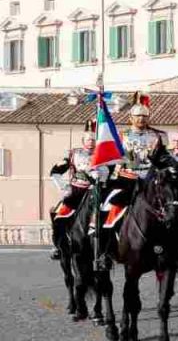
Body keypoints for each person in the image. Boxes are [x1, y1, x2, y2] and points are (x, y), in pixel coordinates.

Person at [96, 92, 166, 269]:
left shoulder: (157, 137)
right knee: (106, 208)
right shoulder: (121, 136)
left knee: (173, 208)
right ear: (130, 118)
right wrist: (102, 171)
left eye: (144, 116)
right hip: (126, 180)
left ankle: (175, 250)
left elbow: (164, 158)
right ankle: (104, 251)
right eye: (138, 116)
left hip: (150, 182)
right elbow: (110, 158)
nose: (141, 119)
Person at [48, 120, 102, 259]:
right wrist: (64, 187)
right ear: (83, 140)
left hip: (95, 191)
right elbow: (55, 172)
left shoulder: (103, 154)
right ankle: (58, 246)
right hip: (76, 191)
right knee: (59, 216)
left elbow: (112, 172)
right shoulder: (74, 154)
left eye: (93, 140)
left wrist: (101, 176)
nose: (91, 142)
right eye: (88, 139)